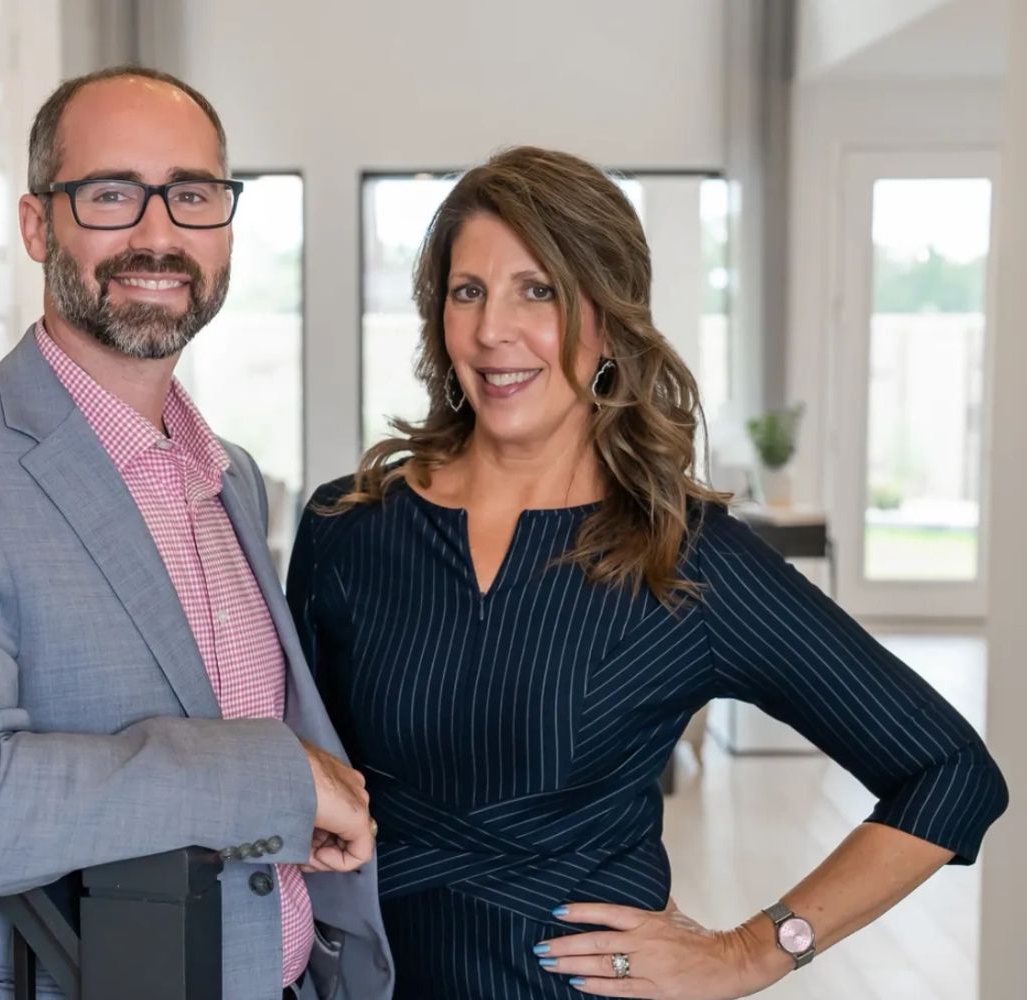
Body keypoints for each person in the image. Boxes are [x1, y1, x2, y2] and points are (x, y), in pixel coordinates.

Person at [286, 145, 1008, 999]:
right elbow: (295, 774)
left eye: (538, 291)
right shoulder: (347, 529)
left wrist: (753, 951)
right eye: (467, 291)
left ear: (609, 317)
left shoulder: (687, 556)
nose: (491, 331)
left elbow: (951, 775)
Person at [0, 66, 391, 1000]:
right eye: (112, 194)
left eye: (192, 195)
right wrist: (273, 777)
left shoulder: (229, 474)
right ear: (38, 225)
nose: (158, 235)